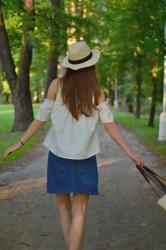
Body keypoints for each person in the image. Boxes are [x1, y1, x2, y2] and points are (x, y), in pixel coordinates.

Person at [3, 41, 145, 250]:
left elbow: (40, 119)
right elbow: (110, 126)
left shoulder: (55, 86)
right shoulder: (95, 90)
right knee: (80, 212)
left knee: (63, 206)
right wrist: (131, 153)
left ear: (69, 64)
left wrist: (19, 143)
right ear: (90, 65)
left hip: (58, 156)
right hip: (85, 157)